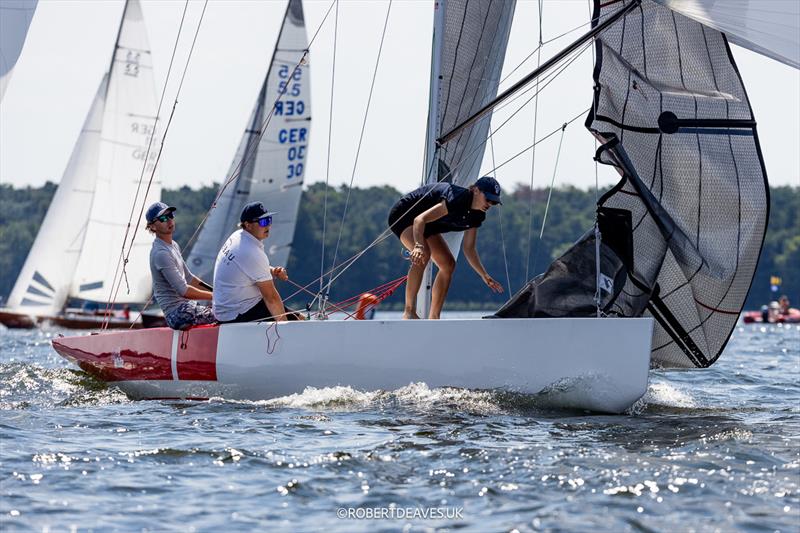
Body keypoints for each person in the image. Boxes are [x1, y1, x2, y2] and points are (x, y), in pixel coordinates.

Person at [387, 176, 504, 319]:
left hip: (429, 225)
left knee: (448, 264)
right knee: (424, 254)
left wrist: (484, 274)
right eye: (488, 199)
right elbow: (419, 220)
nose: (490, 204)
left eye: (494, 202)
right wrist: (418, 246)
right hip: (404, 215)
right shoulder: (456, 198)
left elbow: (469, 249)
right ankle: (409, 311)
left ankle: (434, 317)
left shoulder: (477, 216)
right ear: (476, 191)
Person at [212, 202, 303, 323]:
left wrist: (271, 270)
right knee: (298, 321)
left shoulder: (237, 236)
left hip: (226, 310)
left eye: (269, 220)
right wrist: (285, 329)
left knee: (300, 317)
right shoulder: (250, 252)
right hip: (236, 314)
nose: (268, 226)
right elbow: (271, 298)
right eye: (263, 222)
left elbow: (247, 267)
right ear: (248, 225)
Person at [146, 201, 216, 330]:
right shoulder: (161, 253)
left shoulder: (173, 245)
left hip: (186, 308)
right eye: (162, 218)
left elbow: (190, 278)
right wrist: (215, 296)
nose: (169, 220)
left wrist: (215, 291)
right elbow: (184, 291)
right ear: (152, 227)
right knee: (227, 314)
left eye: (170, 215)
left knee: (225, 310)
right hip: (177, 314)